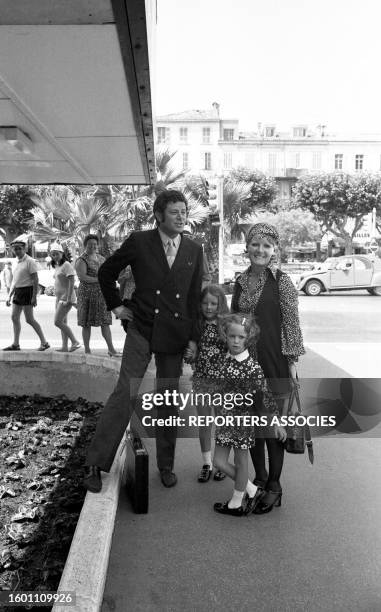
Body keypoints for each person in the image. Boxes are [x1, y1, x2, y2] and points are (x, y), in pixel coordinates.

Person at [83, 189, 204, 492]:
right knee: (126, 391)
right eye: (175, 212)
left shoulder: (193, 249)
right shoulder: (139, 241)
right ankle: (96, 464)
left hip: (174, 334)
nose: (181, 217)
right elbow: (107, 271)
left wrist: (194, 338)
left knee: (167, 400)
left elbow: (192, 299)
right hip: (141, 326)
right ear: (159, 215)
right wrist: (116, 307)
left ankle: (166, 465)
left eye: (184, 211)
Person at [231, 222, 305, 514]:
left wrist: (292, 364)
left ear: (274, 250)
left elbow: (292, 323)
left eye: (266, 245)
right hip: (245, 365)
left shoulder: (282, 281)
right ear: (247, 248)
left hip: (274, 362)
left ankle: (275, 486)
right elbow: (234, 323)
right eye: (255, 244)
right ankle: (259, 479)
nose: (260, 250)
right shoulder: (239, 281)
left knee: (272, 426)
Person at [212, 313, 279, 516]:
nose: (235, 341)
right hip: (225, 421)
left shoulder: (252, 368)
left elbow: (266, 397)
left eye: (241, 337)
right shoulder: (226, 359)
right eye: (232, 336)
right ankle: (251, 490)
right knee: (219, 462)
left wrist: (276, 421)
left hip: (242, 423)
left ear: (248, 339)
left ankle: (236, 503)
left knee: (242, 464)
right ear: (226, 335)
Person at [185, 284, 229, 483]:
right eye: (205, 303)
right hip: (202, 381)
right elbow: (192, 349)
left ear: (221, 304)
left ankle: (221, 463)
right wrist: (190, 354)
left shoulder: (227, 324)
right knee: (204, 423)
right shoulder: (198, 324)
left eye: (213, 303)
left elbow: (237, 347)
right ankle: (207, 463)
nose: (209, 307)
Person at [75, 234, 120, 356]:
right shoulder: (81, 259)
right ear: (85, 245)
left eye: (95, 244)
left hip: (101, 295)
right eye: (90, 244)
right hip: (86, 295)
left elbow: (107, 273)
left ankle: (111, 349)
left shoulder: (101, 258)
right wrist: (100, 280)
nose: (93, 246)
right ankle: (87, 350)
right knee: (86, 323)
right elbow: (83, 277)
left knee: (105, 322)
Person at [3, 240, 50, 352]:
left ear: (24, 249)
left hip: (27, 291)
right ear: (12, 250)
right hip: (18, 292)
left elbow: (35, 280)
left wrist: (34, 297)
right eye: (15, 249)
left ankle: (44, 342)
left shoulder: (30, 261)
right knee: (14, 317)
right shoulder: (15, 262)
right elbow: (15, 280)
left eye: (20, 248)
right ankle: (15, 344)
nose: (17, 250)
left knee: (29, 319)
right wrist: (9, 296)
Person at [50, 243, 81, 352]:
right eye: (52, 254)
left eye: (56, 254)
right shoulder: (57, 265)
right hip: (59, 298)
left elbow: (72, 281)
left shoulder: (66, 264)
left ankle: (75, 342)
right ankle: (64, 346)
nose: (54, 256)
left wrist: (68, 298)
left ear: (62, 253)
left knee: (57, 322)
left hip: (65, 298)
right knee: (63, 322)